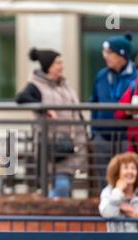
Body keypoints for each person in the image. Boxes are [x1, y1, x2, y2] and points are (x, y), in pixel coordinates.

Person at [16, 48, 87, 198]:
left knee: (65, 185)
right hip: (53, 147)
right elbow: (21, 98)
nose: (61, 66)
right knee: (62, 186)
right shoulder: (36, 85)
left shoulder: (64, 85)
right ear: (48, 66)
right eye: (58, 63)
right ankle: (54, 213)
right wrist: (45, 111)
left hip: (72, 145)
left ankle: (57, 214)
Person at [91, 33, 137, 190]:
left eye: (109, 53)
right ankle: (106, 208)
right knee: (104, 178)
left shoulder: (136, 76)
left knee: (127, 175)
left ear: (122, 55)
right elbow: (94, 102)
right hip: (102, 136)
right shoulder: (101, 75)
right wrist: (94, 131)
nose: (105, 56)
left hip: (126, 136)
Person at [99, 152, 138, 232]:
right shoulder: (108, 192)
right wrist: (118, 191)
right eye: (126, 168)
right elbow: (107, 213)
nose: (130, 172)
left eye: (133, 168)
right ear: (117, 172)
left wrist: (137, 217)